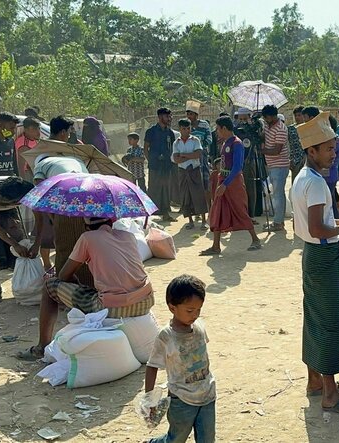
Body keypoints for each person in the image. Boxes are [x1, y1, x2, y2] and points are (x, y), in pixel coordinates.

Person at [291, 111, 339, 417]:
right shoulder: (318, 184)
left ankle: (315, 382)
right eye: (328, 149)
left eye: (335, 148)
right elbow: (319, 228)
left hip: (313, 253)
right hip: (323, 256)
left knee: (315, 318)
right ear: (312, 151)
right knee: (330, 323)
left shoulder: (303, 177)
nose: (334, 154)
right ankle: (331, 393)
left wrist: (338, 222)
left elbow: (316, 223)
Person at [17, 216, 155, 360]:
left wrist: (74, 281)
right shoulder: (129, 236)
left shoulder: (87, 238)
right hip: (146, 300)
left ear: (86, 226)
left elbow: (63, 275)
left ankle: (41, 347)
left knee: (49, 286)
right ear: (111, 221)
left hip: (112, 308)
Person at [145, 275, 216, 443]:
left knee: (207, 439)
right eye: (190, 311)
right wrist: (150, 399)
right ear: (172, 307)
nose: (195, 315)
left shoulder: (199, 327)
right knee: (176, 439)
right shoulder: (166, 336)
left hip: (207, 394)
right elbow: (152, 366)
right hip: (181, 400)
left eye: (199, 310)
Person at [200, 116, 261, 256]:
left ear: (224, 128)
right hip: (223, 180)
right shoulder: (225, 142)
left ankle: (255, 239)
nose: (216, 132)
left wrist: (225, 184)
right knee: (217, 210)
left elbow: (238, 167)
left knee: (240, 210)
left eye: (218, 128)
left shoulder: (237, 143)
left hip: (233, 182)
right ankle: (215, 246)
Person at [29, 155, 89, 272]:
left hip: (65, 198)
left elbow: (40, 189)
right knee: (81, 241)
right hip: (85, 199)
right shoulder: (75, 160)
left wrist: (53, 218)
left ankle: (63, 278)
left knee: (63, 242)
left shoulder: (40, 166)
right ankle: (84, 273)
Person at [172, 118, 208, 230]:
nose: (187, 131)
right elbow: (176, 159)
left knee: (198, 195)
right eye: (184, 129)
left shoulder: (195, 140)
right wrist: (189, 155)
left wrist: (183, 155)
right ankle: (190, 221)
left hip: (194, 170)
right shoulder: (176, 142)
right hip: (182, 171)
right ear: (180, 129)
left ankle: (203, 221)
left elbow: (198, 155)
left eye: (188, 128)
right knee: (185, 195)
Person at [261, 105, 289, 232]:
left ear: (272, 116)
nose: (265, 120)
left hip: (280, 165)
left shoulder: (281, 129)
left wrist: (262, 150)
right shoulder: (267, 126)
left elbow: (277, 150)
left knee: (278, 194)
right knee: (276, 194)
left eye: (266, 118)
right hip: (272, 165)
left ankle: (278, 222)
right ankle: (277, 221)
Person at [145, 108, 176, 221]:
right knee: (154, 189)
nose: (169, 118)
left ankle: (166, 214)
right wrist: (151, 161)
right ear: (160, 117)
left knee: (166, 189)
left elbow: (173, 148)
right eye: (167, 116)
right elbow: (145, 148)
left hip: (167, 166)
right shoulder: (151, 131)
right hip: (154, 166)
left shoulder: (170, 132)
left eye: (169, 116)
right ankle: (152, 215)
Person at [186, 100, 213, 216]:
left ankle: (210, 209)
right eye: (188, 114)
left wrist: (199, 145)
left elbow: (209, 139)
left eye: (191, 114)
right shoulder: (186, 126)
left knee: (205, 185)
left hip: (202, 157)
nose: (189, 116)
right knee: (193, 185)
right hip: (190, 159)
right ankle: (196, 210)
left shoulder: (204, 125)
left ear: (196, 115)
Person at [14, 117, 41, 182]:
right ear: (26, 130)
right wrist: (23, 182)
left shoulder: (35, 140)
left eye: (38, 128)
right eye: (33, 129)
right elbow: (21, 167)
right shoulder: (23, 145)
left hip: (35, 171)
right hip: (27, 174)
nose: (38, 132)